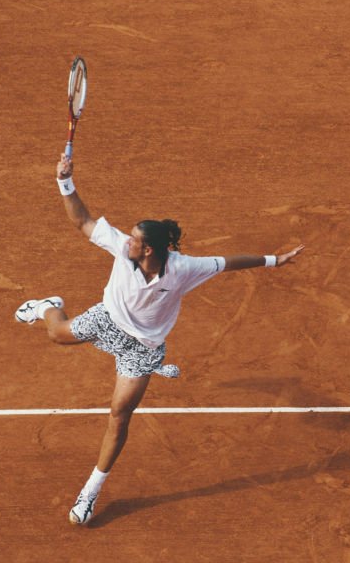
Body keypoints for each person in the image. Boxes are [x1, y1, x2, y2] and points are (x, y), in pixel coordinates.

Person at [15, 154, 305, 526]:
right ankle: (48, 306)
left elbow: (228, 262)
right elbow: (82, 221)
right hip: (108, 319)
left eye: (135, 239)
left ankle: (91, 490)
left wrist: (273, 261)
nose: (128, 241)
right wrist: (65, 182)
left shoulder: (184, 269)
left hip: (142, 348)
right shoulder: (122, 249)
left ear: (148, 249)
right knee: (57, 333)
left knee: (119, 416)